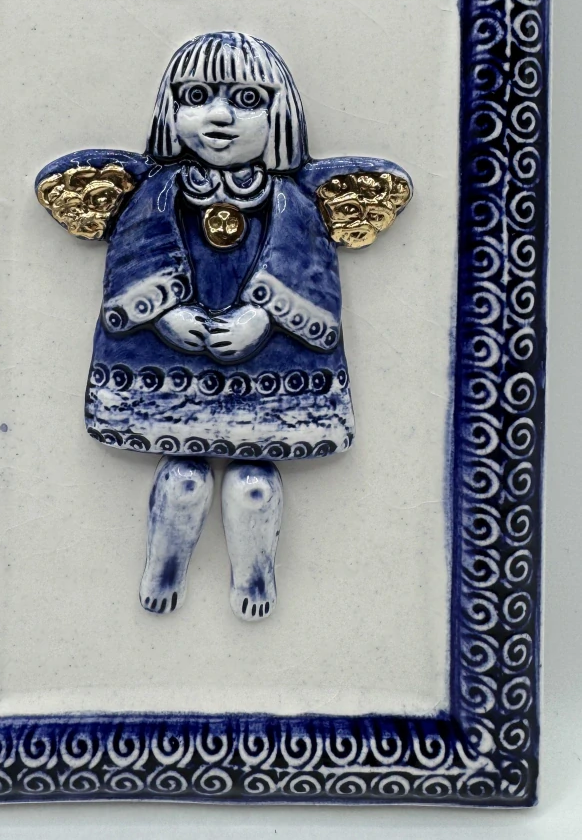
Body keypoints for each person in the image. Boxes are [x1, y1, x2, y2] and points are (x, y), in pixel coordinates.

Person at [35, 31, 412, 621]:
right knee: (182, 478)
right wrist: (165, 313)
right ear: (170, 110)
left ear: (279, 113)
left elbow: (305, 267)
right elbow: (135, 257)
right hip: (173, 366)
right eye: (196, 95)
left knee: (253, 483)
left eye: (246, 98)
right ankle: (164, 562)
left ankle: (255, 569)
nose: (218, 115)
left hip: (265, 373)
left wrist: (262, 315)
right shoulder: (156, 192)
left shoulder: (290, 201)